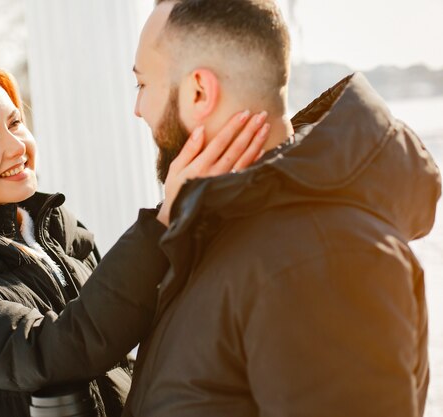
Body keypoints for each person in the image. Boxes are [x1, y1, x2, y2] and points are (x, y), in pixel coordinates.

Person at [0, 57, 268, 417]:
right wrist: (163, 222)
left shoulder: (54, 225)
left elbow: (139, 316)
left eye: (15, 122)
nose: (16, 145)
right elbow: (51, 353)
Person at [123, 1, 442, 416]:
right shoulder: (226, 227)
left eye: (143, 85)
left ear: (199, 91)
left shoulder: (323, 261)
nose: (138, 109)